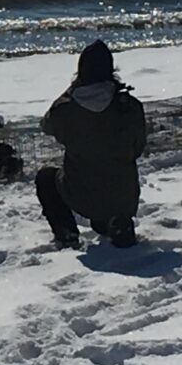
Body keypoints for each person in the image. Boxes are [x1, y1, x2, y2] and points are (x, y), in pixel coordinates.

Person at [36, 39, 147, 249]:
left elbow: (47, 126)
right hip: (124, 196)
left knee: (46, 177)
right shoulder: (130, 106)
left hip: (81, 192)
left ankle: (67, 233)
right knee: (106, 204)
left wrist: (70, 92)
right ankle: (115, 222)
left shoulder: (65, 108)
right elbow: (138, 148)